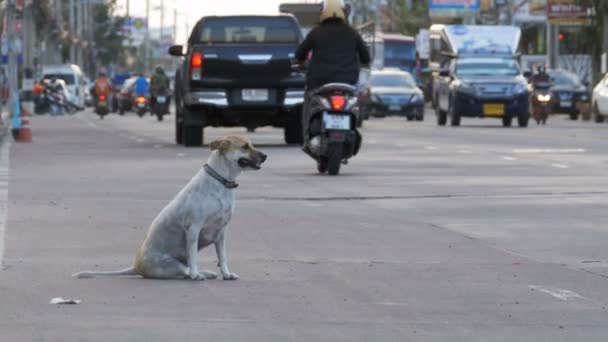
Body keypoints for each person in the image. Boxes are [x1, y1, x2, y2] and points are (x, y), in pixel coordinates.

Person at [294, 0, 371, 149]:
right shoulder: (352, 32)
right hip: (347, 83)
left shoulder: (317, 32)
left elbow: (300, 54)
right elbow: (366, 58)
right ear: (343, 12)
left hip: (319, 83)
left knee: (307, 105)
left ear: (323, 12)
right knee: (354, 106)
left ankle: (306, 138)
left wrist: (301, 62)